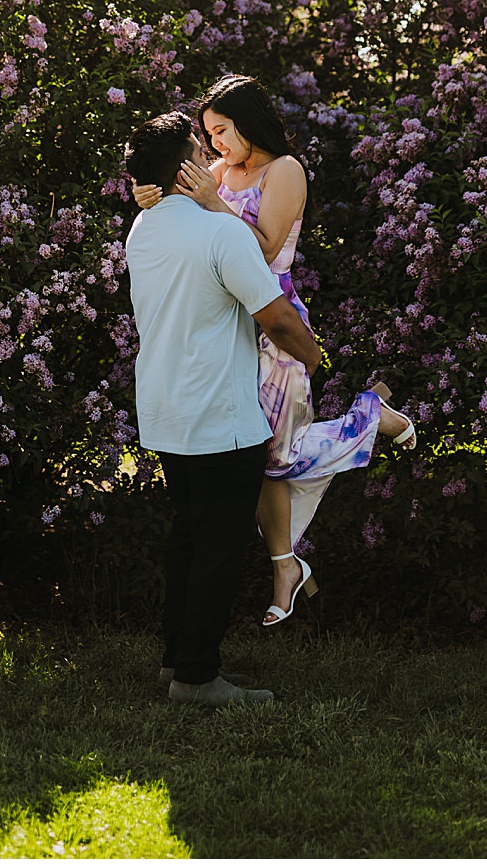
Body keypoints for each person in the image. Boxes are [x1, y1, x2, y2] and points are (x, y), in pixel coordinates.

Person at [133, 75, 417, 628]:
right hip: (230, 325)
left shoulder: (284, 171)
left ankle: (368, 420)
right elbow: (186, 220)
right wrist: (154, 195)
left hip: (274, 316)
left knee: (275, 455)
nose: (213, 144)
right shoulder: (218, 171)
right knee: (259, 458)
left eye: (221, 130)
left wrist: (211, 200)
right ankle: (285, 566)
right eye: (207, 134)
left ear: (247, 121)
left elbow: (261, 249)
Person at [123, 109, 325, 707]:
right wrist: (314, 359)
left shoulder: (144, 228)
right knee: (216, 550)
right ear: (186, 167)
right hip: (220, 415)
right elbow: (276, 317)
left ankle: (174, 662)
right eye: (198, 146)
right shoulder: (223, 234)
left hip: (165, 409)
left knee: (187, 539)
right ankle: (197, 677)